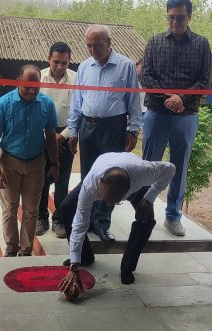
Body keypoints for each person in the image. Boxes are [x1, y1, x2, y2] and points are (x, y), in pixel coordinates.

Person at [139, 0, 212, 237]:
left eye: (180, 17)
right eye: (171, 17)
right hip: (156, 114)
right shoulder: (155, 41)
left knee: (179, 167)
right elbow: (147, 77)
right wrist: (169, 98)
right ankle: (142, 211)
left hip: (186, 115)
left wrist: (181, 97)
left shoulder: (201, 44)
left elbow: (204, 80)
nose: (174, 22)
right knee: (149, 166)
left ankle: (172, 216)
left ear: (189, 16)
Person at [68, 25, 142, 242]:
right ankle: (87, 220)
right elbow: (77, 101)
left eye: (97, 45)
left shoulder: (125, 66)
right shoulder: (84, 67)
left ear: (109, 43)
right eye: (89, 46)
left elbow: (133, 102)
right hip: (88, 127)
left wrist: (133, 130)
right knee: (89, 176)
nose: (93, 50)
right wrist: (73, 130)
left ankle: (102, 224)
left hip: (114, 127)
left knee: (110, 176)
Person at [58, 152, 175, 286]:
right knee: (67, 207)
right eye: (106, 200)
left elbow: (170, 168)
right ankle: (84, 257)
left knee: (146, 218)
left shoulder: (143, 172)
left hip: (132, 178)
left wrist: (149, 198)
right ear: (101, 183)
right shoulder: (90, 185)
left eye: (115, 202)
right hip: (105, 165)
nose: (108, 205)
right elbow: (80, 222)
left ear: (127, 190)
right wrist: (74, 263)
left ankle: (127, 268)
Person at [0, 65, 59, 257]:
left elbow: (51, 136)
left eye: (35, 86)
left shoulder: (46, 104)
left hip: (36, 164)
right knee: (10, 209)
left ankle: (25, 250)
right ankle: (11, 248)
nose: (31, 90)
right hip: (10, 163)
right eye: (27, 86)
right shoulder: (4, 104)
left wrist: (54, 163)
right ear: (19, 80)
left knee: (31, 210)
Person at [36, 42, 77, 238]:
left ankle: (59, 219)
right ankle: (41, 216)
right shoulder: (38, 77)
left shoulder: (77, 79)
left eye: (64, 62)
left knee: (62, 178)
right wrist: (47, 136)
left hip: (65, 135)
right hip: (41, 134)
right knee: (42, 179)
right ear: (48, 60)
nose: (60, 67)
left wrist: (64, 135)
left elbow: (79, 111)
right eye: (56, 62)